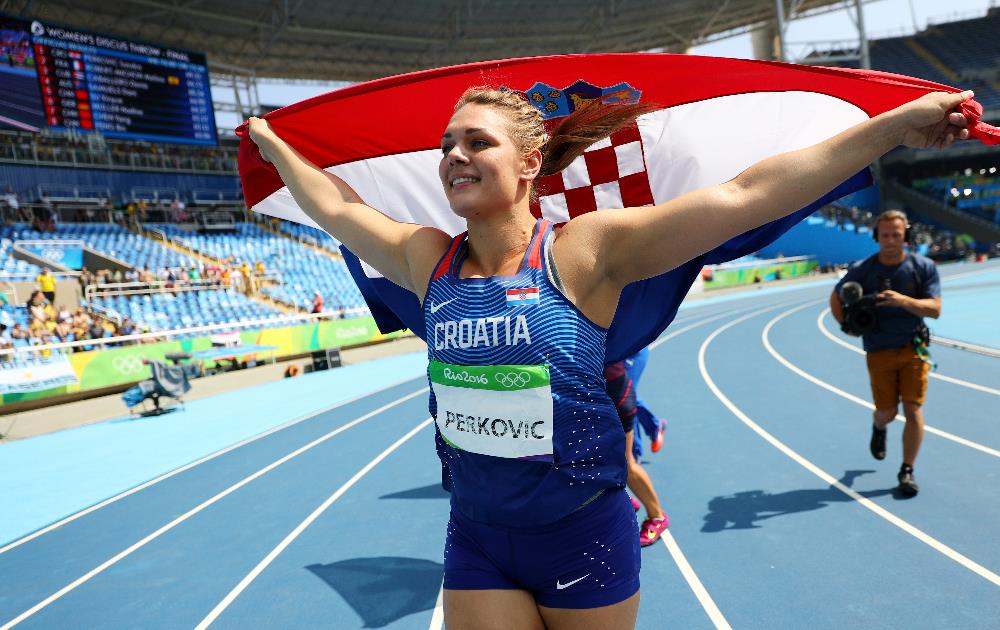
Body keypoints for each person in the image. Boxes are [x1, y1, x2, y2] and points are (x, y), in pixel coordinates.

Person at [247, 86, 971, 629]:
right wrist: (275, 145)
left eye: (477, 142)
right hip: (476, 531)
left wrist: (891, 130)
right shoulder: (425, 258)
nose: (454, 156)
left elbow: (747, 193)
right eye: (447, 145)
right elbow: (337, 209)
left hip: (580, 538)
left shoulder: (583, 253)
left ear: (530, 162)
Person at [830, 209, 941, 497]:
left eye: (896, 235)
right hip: (878, 351)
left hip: (914, 349)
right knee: (888, 413)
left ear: (906, 236)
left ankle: (907, 470)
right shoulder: (864, 270)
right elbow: (835, 295)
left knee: (914, 409)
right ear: (876, 237)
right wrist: (846, 325)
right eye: (885, 235)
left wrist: (902, 300)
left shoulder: (922, 267)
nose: (891, 240)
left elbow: (935, 309)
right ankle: (879, 427)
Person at [604, 359, 669, 547]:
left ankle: (657, 517)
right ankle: (620, 499)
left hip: (614, 395)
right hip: (595, 394)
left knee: (626, 464)